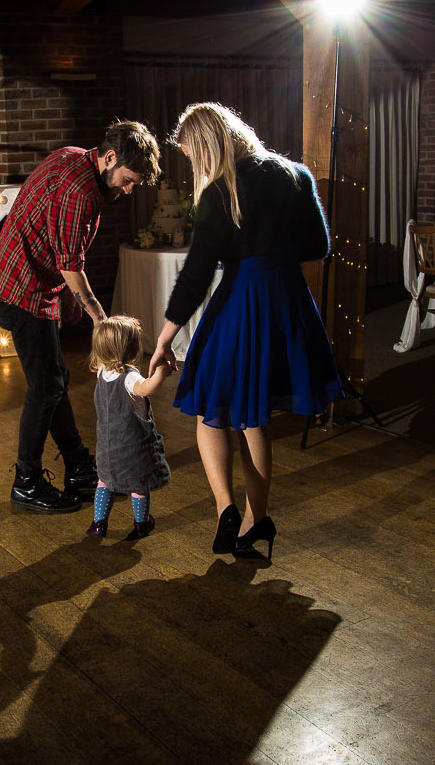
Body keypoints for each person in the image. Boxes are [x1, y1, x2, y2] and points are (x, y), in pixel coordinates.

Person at [147, 103, 342, 561]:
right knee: (255, 417)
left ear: (208, 145)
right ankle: (258, 520)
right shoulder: (296, 175)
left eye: (195, 154)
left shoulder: (220, 190)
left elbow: (196, 274)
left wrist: (164, 338)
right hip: (288, 301)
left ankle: (225, 509)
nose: (197, 165)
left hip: (240, 302)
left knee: (210, 407)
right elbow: (320, 246)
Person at [0, 120, 162, 513]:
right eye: (129, 179)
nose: (129, 189)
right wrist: (98, 316)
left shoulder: (72, 157)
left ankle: (79, 468)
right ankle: (26, 482)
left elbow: (57, 243)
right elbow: (70, 260)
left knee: (56, 380)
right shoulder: (80, 190)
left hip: (29, 283)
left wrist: (66, 296)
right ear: (111, 158)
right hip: (21, 291)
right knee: (46, 387)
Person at [83, 315, 174, 541]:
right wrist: (161, 374)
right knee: (139, 486)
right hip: (132, 450)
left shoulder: (102, 371)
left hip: (107, 448)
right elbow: (145, 389)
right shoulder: (129, 377)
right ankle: (142, 524)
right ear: (133, 349)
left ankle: (98, 524)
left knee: (104, 482)